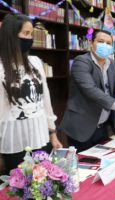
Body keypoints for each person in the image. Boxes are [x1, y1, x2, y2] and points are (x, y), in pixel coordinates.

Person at [0, 14, 62, 174]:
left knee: (45, 185)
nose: (30, 38)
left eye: (31, 34)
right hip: (14, 142)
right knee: (20, 190)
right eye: (26, 34)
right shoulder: (1, 67)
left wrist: (52, 133)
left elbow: (45, 100)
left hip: (41, 137)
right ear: (11, 36)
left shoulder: (35, 62)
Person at [58, 30, 115, 152]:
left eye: (108, 43)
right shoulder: (81, 61)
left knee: (101, 164)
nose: (105, 45)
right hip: (81, 127)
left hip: (103, 126)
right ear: (91, 43)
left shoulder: (113, 64)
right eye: (101, 41)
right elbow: (91, 90)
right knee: (82, 167)